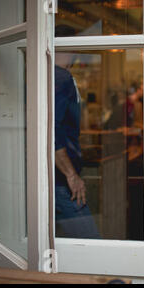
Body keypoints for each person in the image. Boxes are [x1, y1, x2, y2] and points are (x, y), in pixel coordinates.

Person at [55, 58, 100, 239]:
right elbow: (51, 129)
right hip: (62, 182)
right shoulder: (60, 77)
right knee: (90, 244)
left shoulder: (59, 77)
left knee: (63, 245)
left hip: (58, 180)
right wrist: (71, 175)